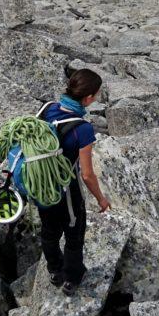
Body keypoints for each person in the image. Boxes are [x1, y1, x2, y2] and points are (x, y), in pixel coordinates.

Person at [38, 68, 110, 296]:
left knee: (49, 231)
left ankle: (54, 270)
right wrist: (101, 199)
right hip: (67, 191)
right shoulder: (83, 129)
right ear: (88, 98)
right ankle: (71, 278)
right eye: (96, 95)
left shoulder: (47, 108)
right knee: (73, 234)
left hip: (42, 184)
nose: (96, 99)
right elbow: (87, 174)